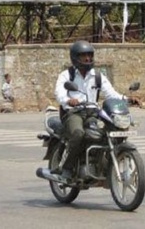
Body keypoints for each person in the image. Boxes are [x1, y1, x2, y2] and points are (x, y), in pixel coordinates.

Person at [52, 40, 137, 181]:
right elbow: (59, 92)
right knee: (78, 133)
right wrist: (68, 100)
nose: (87, 59)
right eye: (83, 56)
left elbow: (111, 94)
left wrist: (127, 99)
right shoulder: (66, 75)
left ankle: (104, 164)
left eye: (90, 55)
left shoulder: (97, 76)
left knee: (110, 130)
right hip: (73, 113)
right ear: (75, 58)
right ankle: (67, 167)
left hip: (92, 113)